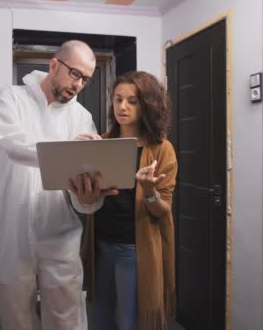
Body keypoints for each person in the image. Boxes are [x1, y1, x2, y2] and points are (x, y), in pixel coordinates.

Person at [0, 40, 116, 330]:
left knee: (67, 320)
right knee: (16, 319)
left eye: (86, 79)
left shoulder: (82, 117)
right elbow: (14, 146)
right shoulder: (11, 98)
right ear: (54, 65)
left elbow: (84, 200)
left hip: (61, 235)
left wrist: (91, 196)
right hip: (11, 232)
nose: (79, 84)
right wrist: (68, 150)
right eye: (75, 74)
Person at [69, 71, 178, 330]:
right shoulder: (101, 142)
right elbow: (85, 197)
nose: (122, 107)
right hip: (99, 247)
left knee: (127, 322)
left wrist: (149, 190)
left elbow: (163, 210)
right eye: (118, 99)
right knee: (98, 319)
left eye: (132, 101)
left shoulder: (161, 149)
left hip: (134, 249)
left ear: (147, 104)